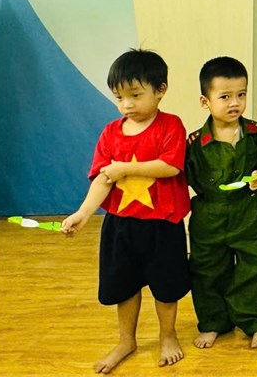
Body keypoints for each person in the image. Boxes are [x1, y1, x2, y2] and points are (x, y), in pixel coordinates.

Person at [62, 49, 191, 373]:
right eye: (119, 97)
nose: (127, 104)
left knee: (166, 287)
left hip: (163, 224)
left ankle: (168, 335)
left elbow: (170, 166)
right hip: (121, 225)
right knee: (124, 285)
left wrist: (123, 168)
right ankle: (126, 340)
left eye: (135, 95)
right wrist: (83, 213)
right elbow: (102, 179)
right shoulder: (110, 133)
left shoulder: (171, 125)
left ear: (160, 90)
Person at [185, 56, 257, 349]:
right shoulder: (194, 144)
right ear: (205, 102)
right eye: (225, 96)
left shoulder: (255, 133)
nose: (235, 102)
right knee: (207, 271)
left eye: (241, 94)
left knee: (253, 267)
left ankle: (256, 321)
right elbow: (185, 179)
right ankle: (213, 322)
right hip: (209, 217)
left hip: (248, 212)